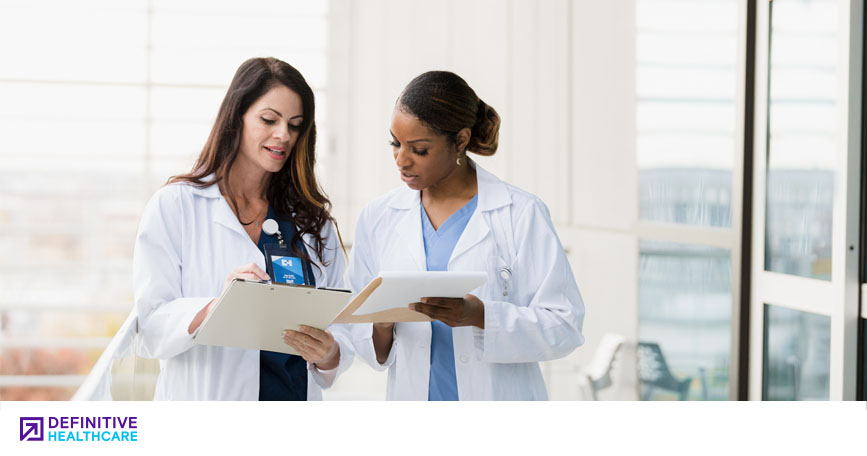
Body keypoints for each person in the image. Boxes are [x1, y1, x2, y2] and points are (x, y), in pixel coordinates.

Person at [348, 71, 585, 400]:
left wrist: (481, 316)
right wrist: (380, 325)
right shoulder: (379, 216)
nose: (401, 160)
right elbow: (358, 329)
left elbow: (564, 326)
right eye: (395, 143)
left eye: (419, 149)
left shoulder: (521, 213)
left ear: (460, 141)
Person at [133, 57, 353, 400]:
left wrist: (329, 354)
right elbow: (148, 328)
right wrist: (217, 307)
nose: (283, 135)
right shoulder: (176, 206)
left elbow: (343, 331)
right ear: (237, 117)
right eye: (269, 119)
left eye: (295, 125)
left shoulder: (314, 223)